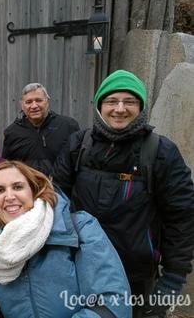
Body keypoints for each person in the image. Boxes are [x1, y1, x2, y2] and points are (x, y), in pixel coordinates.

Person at [53, 69, 194, 317]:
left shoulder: (161, 152)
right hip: (80, 268)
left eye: (129, 101)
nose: (120, 109)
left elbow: (182, 217)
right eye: (111, 101)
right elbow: (55, 202)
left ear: (140, 106)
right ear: (100, 105)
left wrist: (172, 280)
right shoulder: (78, 145)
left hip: (135, 276)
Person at [0, 161, 131, 318]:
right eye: (0, 190)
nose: (9, 196)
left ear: (34, 192)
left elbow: (112, 304)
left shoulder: (80, 228)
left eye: (17, 187)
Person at [2, 83, 79, 176]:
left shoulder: (68, 126)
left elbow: (77, 163)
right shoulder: (12, 132)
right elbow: (8, 167)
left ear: (47, 101)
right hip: (27, 188)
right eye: (28, 102)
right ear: (22, 105)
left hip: (59, 188)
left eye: (38, 100)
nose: (34, 106)